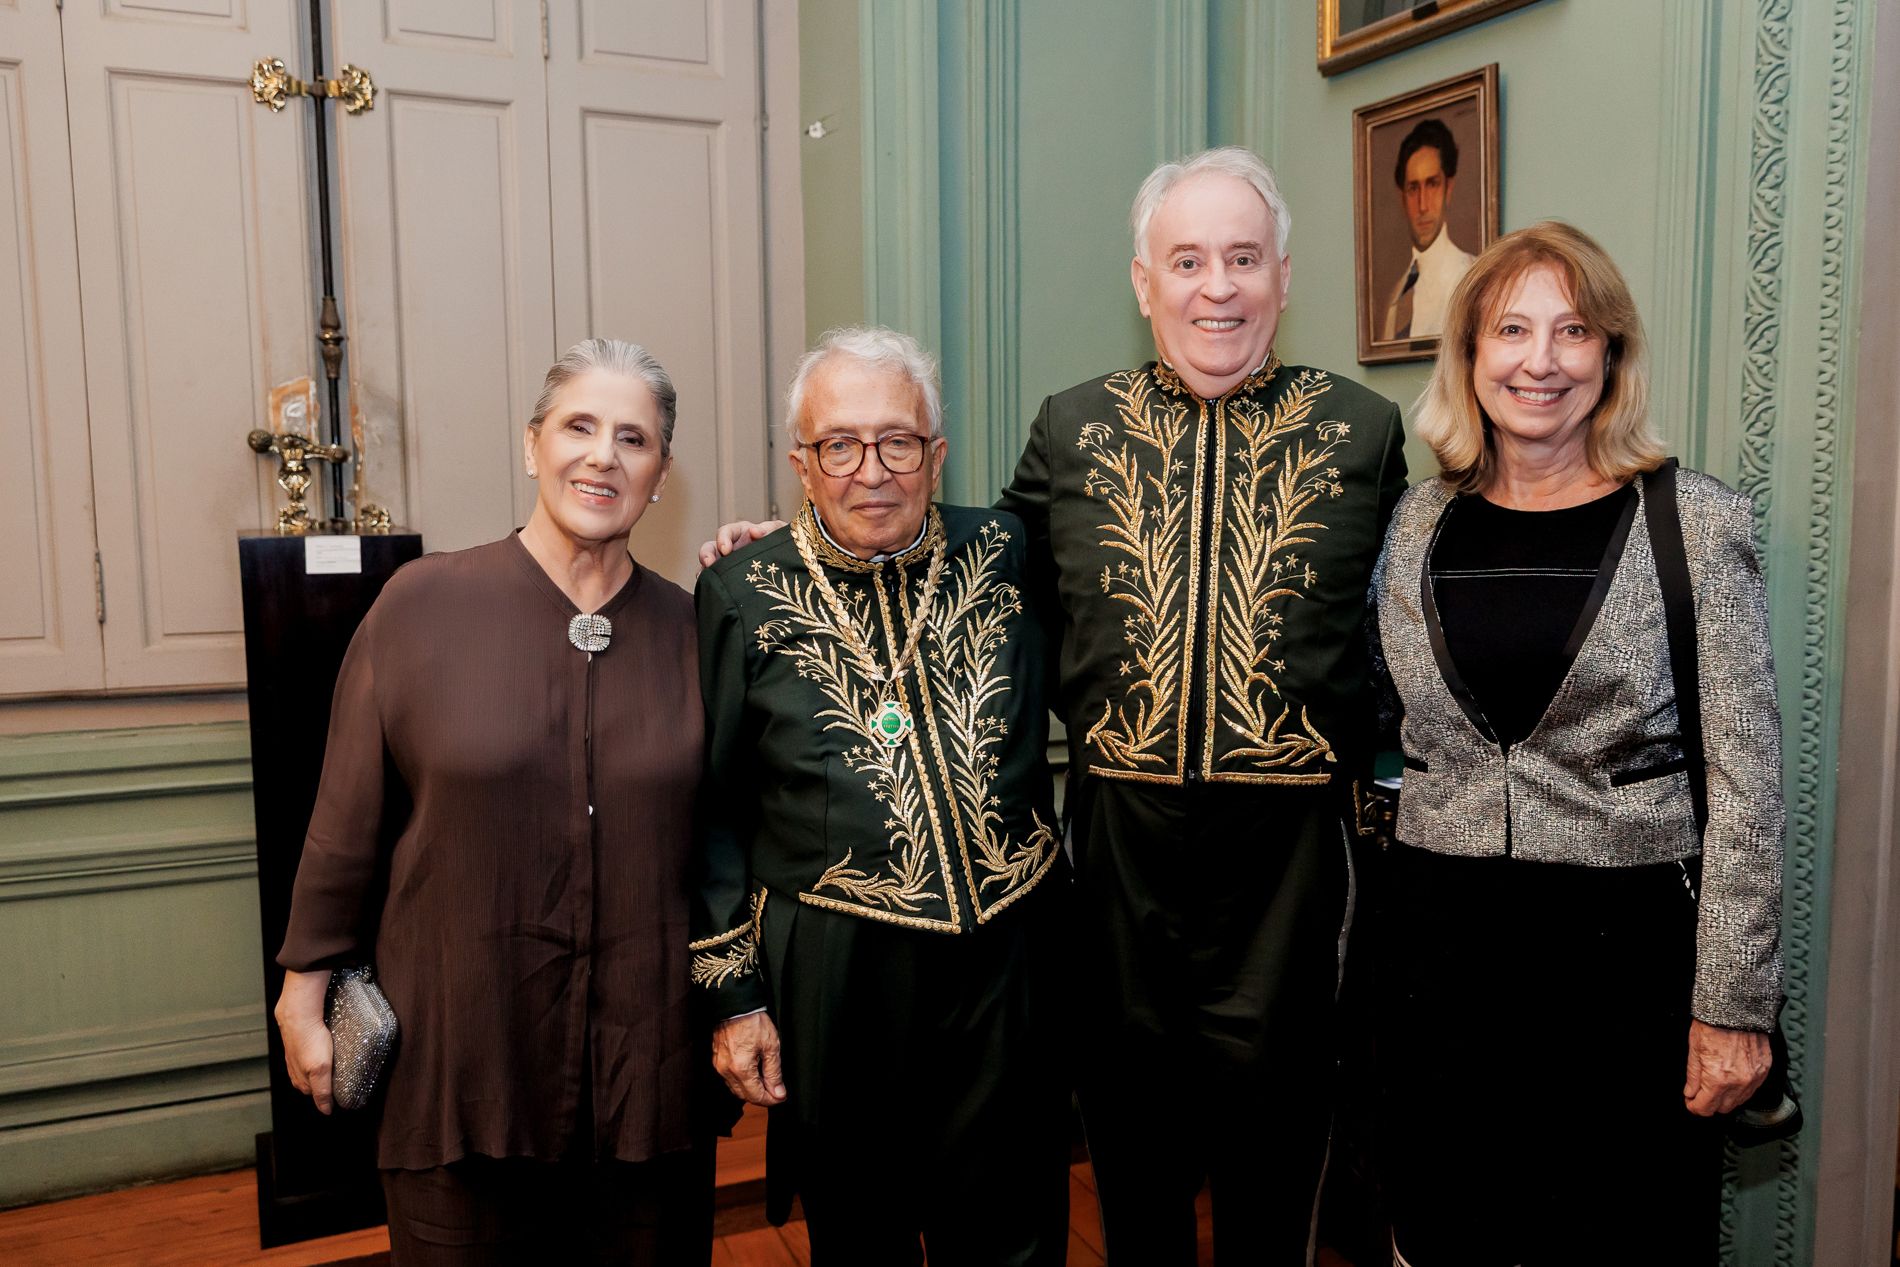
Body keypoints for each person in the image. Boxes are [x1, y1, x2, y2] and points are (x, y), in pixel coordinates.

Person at [704, 146, 1406, 1262]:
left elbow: (1395, 648)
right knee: (1131, 1157)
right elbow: (960, 552)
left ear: (1283, 275)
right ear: (1143, 283)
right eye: (1186, 260)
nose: (1214, 287)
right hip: (1116, 864)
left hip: (1288, 871)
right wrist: (793, 550)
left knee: (1278, 1163)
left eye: (1240, 259)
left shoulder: (1365, 433)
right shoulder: (1073, 426)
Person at [1369, 221, 1783, 1264]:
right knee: (1443, 1232)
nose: (1539, 360)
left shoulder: (1691, 521)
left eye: (1572, 330)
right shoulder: (1417, 521)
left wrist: (1732, 1005)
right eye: (1510, 329)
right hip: (1441, 953)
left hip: (1624, 963)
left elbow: (1746, 782)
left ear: (1611, 355)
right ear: (1468, 355)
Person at [275, 339, 722, 1265]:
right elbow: (343, 820)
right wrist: (302, 991)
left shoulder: (699, 632)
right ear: (533, 446)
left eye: (633, 438)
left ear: (662, 473)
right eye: (580, 427)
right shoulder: (422, 606)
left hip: (649, 1086)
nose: (603, 455)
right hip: (460, 1075)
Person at [692, 326, 1070, 1265]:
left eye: (898, 441)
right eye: (839, 445)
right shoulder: (740, 590)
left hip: (1007, 954)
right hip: (838, 969)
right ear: (802, 464)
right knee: (862, 1233)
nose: (872, 470)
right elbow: (711, 810)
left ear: (936, 456)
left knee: (1015, 1227)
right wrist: (735, 996)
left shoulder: (1008, 550)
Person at [1381, 118, 1476, 341]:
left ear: (1448, 189)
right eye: (1413, 188)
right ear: (1402, 197)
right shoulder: (1398, 293)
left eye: (1432, 184)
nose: (1423, 205)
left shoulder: (1469, 280)